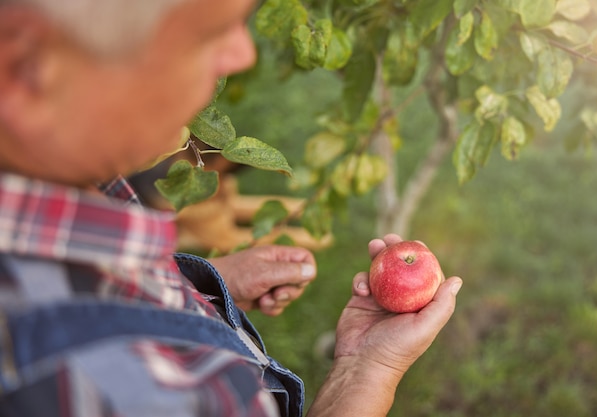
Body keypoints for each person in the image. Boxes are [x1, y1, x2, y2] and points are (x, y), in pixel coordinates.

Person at [0, 0, 463, 415]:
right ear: (25, 70)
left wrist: (197, 285)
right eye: (204, 34)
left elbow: (93, 281)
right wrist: (370, 369)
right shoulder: (126, 391)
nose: (244, 55)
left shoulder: (76, 181)